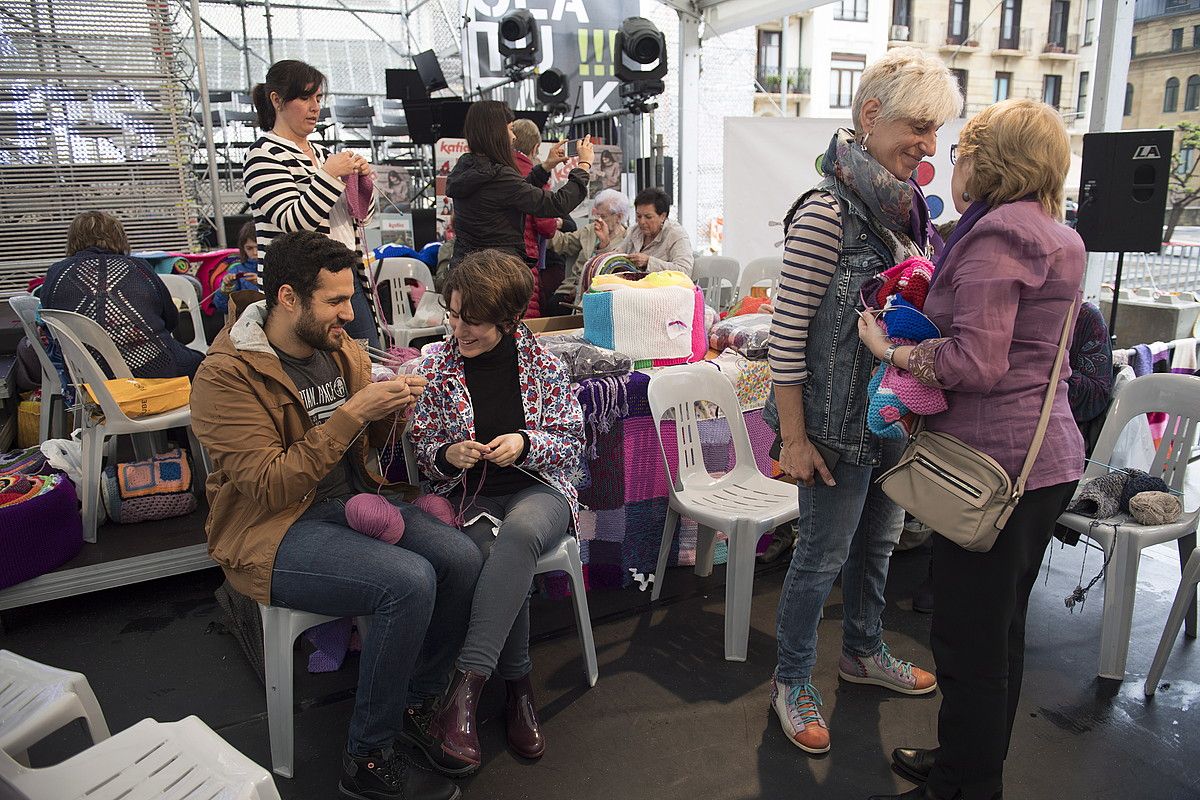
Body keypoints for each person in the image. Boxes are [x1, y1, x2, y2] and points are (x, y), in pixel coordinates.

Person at [190, 230, 481, 800]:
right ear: (288, 298)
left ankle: (418, 703)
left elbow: (366, 446)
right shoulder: (225, 376)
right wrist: (352, 414)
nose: (350, 315)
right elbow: (271, 487)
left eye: (351, 299)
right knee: (408, 581)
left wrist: (394, 411)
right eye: (336, 301)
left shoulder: (339, 347)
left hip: (349, 502)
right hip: (272, 531)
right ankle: (365, 759)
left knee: (462, 557)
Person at [858, 99, 1086, 800]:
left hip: (995, 467)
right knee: (999, 633)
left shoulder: (997, 238)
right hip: (1039, 461)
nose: (950, 161)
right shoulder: (1051, 231)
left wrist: (893, 348)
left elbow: (976, 363)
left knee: (969, 640)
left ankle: (965, 783)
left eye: (960, 150)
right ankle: (968, 761)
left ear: (990, 160)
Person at [766, 46, 961, 756]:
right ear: (871, 115)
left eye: (936, 130)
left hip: (888, 423)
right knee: (820, 557)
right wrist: (792, 439)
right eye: (918, 124)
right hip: (830, 430)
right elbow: (785, 341)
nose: (928, 144)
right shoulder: (825, 213)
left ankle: (862, 650)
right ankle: (791, 681)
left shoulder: (907, 214)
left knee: (877, 544)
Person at [409, 249, 585, 767]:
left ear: (508, 321)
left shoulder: (544, 363)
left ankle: (464, 690)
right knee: (495, 559)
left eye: (474, 321)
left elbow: (573, 441)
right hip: (474, 495)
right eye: (454, 313)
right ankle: (519, 689)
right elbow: (423, 447)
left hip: (541, 488)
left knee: (520, 533)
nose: (459, 329)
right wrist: (447, 454)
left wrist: (526, 444)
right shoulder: (438, 365)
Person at [243, 59, 381, 349]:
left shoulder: (322, 152)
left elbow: (360, 218)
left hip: (344, 279)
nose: (315, 107)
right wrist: (330, 174)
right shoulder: (263, 155)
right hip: (303, 291)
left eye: (318, 98)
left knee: (366, 364)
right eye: (305, 98)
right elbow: (293, 222)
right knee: (323, 374)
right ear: (277, 100)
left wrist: (365, 186)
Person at [41, 211, 203, 381]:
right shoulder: (139, 267)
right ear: (119, 237)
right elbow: (170, 320)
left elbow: (50, 326)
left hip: (88, 377)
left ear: (73, 240)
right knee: (204, 364)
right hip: (153, 369)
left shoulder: (57, 274)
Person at [445, 100, 592, 269]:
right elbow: (555, 204)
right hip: (498, 274)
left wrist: (545, 167)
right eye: (510, 129)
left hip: (468, 271)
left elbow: (512, 193)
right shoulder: (499, 176)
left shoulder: (466, 168)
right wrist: (584, 166)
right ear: (496, 132)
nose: (513, 137)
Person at [548, 188, 631, 310]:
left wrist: (604, 243)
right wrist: (546, 228)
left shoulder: (628, 240)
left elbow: (614, 272)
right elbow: (563, 243)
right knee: (552, 306)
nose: (599, 220)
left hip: (604, 294)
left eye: (603, 216)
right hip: (572, 288)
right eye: (597, 215)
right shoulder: (590, 230)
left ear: (618, 217)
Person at [510, 118, 559, 317]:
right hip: (525, 259)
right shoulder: (536, 175)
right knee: (524, 322)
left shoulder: (496, 171)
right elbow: (546, 226)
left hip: (493, 259)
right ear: (536, 146)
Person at [615, 187, 694, 276]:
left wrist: (648, 262)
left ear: (663, 216)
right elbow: (618, 253)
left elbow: (685, 271)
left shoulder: (676, 234)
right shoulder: (635, 230)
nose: (641, 222)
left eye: (648, 217)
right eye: (638, 216)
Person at [212, 221, 261, 316]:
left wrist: (262, 282)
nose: (255, 252)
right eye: (249, 248)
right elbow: (222, 307)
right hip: (245, 321)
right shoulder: (236, 270)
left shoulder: (277, 267)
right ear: (243, 249)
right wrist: (226, 288)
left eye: (258, 247)